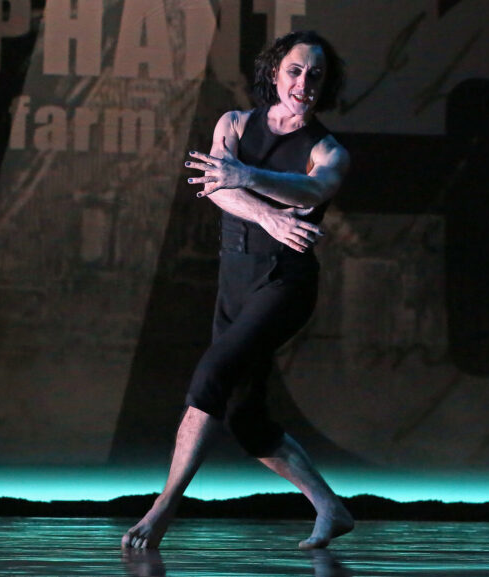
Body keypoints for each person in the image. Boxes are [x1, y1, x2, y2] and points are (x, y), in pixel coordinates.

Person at [121, 30, 353, 551]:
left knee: (213, 374)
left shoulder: (328, 150)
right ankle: (330, 508)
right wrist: (267, 214)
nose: (304, 83)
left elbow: (311, 189)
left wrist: (243, 175)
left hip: (285, 282)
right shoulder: (234, 123)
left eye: (315, 76)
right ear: (274, 72)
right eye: (295, 70)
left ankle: (162, 508)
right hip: (236, 279)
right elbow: (216, 186)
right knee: (245, 418)